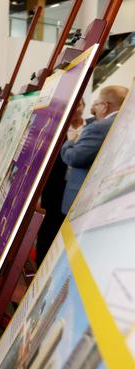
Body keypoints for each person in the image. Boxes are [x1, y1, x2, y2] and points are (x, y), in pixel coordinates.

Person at [61, 85, 127, 214]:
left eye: (96, 104)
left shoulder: (98, 127)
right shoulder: (126, 122)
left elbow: (74, 158)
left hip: (84, 198)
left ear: (104, 106)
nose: (93, 110)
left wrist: (70, 143)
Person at [36, 98, 85, 264]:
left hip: (79, 189)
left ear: (84, 107)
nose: (75, 107)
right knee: (49, 228)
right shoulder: (54, 129)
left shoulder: (91, 127)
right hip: (55, 187)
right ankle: (42, 265)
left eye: (79, 104)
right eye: (72, 104)